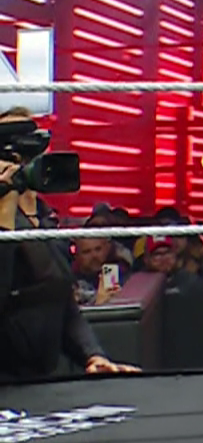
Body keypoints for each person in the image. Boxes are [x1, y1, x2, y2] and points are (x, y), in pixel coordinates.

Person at [0, 108, 139, 380]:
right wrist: (4, 215)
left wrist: (93, 354)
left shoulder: (45, 218)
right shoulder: (10, 219)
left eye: (29, 153)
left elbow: (61, 299)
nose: (23, 162)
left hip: (43, 381)